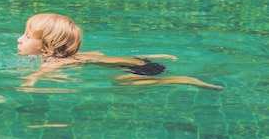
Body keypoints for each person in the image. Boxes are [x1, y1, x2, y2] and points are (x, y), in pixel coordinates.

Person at [17, 13, 223, 90]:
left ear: (48, 47)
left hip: (142, 69)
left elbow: (37, 75)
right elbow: (103, 56)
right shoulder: (80, 55)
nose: (19, 39)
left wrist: (27, 83)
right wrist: (155, 56)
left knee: (120, 82)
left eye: (27, 36)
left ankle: (181, 80)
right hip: (140, 62)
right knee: (119, 76)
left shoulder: (56, 62)